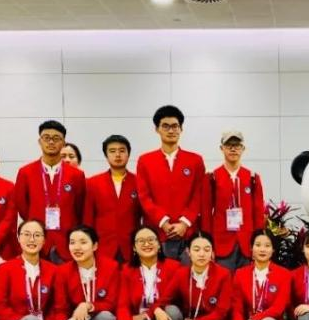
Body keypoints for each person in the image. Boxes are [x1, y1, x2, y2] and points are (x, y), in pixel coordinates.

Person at [135, 105, 205, 261]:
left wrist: (184, 223)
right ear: (157, 129)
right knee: (158, 275)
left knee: (188, 275)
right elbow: (144, 197)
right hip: (156, 233)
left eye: (175, 126)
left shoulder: (195, 160)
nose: (171, 130)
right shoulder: (145, 161)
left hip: (188, 233)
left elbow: (199, 194)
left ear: (181, 129)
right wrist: (163, 222)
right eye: (165, 126)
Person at [53, 226, 121, 320]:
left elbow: (112, 303)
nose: (77, 247)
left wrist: (88, 305)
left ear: (95, 245)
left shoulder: (111, 267)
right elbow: (59, 308)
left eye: (83, 242)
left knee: (106, 318)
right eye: (72, 242)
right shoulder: (62, 272)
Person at [14, 121, 86, 263]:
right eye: (46, 138)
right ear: (39, 141)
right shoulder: (26, 172)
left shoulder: (76, 175)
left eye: (56, 138)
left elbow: (80, 207)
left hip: (66, 241)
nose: (51, 142)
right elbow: (22, 207)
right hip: (37, 241)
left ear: (63, 142)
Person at [115, 225, 182, 320]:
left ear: (159, 245)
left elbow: (170, 298)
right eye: (141, 241)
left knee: (172, 311)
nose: (147, 244)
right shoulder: (126, 270)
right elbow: (122, 304)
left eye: (151, 240)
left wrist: (147, 315)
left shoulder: (174, 267)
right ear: (134, 247)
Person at [201, 131, 266, 272]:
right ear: (221, 148)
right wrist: (208, 244)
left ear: (243, 148)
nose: (233, 149)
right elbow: (206, 213)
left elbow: (258, 212)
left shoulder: (252, 177)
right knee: (223, 281)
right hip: (221, 243)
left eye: (237, 145)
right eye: (228, 145)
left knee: (245, 282)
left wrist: (257, 243)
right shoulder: (212, 177)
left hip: (246, 243)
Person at [230, 230, 290, 320]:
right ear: (251, 248)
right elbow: (236, 308)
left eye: (267, 246)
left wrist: (253, 319)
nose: (262, 249)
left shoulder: (284, 274)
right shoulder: (241, 274)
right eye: (258, 245)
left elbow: (278, 308)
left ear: (273, 249)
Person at [84, 135, 143, 264]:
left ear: (128, 154)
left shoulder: (139, 182)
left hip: (131, 246)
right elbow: (88, 219)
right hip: (103, 246)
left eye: (122, 150)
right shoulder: (93, 183)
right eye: (112, 151)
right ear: (106, 155)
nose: (117, 155)